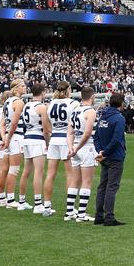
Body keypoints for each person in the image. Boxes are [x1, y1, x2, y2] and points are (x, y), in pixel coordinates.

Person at [43, 81, 79, 217]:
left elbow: (47, 128)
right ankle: (70, 208)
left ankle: (47, 205)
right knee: (70, 174)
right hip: (66, 139)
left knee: (50, 174)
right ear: (68, 89)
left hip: (54, 139)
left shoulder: (50, 104)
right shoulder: (73, 103)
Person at [94, 92, 127, 226]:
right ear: (121, 103)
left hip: (104, 156)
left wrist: (100, 151)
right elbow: (117, 139)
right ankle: (109, 217)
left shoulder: (103, 116)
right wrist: (105, 152)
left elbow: (96, 136)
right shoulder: (118, 118)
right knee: (112, 187)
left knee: (102, 186)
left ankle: (99, 215)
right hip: (114, 156)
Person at [67, 86, 98, 222]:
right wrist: (78, 148)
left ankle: (69, 212)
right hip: (86, 147)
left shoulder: (75, 110)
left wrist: (71, 148)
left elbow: (69, 132)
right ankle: (81, 214)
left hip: (75, 147)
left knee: (74, 180)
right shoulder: (90, 111)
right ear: (92, 97)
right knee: (86, 181)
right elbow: (88, 132)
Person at [21, 83, 51, 214]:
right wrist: (48, 143)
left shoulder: (26, 105)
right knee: (39, 171)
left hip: (27, 138)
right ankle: (38, 204)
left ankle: (21, 201)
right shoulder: (41, 107)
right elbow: (45, 129)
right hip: (37, 139)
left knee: (26, 171)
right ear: (43, 93)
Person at [0, 79, 27, 210]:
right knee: (14, 170)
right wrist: (8, 138)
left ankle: (3, 197)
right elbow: (15, 123)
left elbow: (3, 122)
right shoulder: (18, 102)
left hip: (9, 136)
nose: (25, 87)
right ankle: (10, 199)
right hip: (15, 137)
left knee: (6, 169)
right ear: (16, 88)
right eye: (22, 86)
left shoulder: (7, 102)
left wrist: (5, 137)